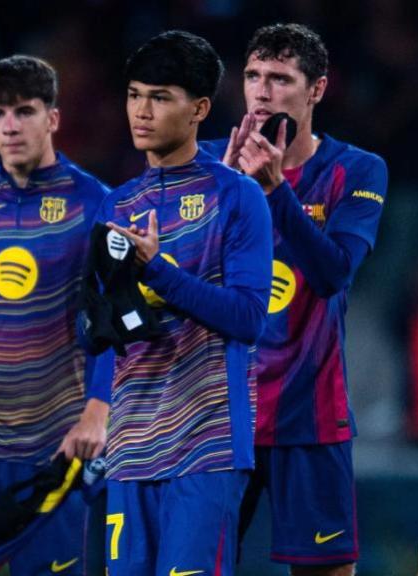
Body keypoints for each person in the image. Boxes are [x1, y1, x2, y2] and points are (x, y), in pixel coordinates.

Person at [206, 23, 388, 575]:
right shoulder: (209, 165)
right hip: (218, 418)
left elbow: (334, 273)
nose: (262, 91)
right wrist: (229, 189)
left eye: (281, 79)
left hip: (309, 414)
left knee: (325, 570)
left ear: (317, 90)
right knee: (193, 564)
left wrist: (276, 191)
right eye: (253, 76)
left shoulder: (356, 169)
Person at [98, 30, 272, 576]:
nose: (141, 111)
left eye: (159, 97)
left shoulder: (236, 194)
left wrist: (158, 272)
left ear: (199, 109)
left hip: (207, 443)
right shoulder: (116, 204)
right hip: (129, 446)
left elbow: (249, 318)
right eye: (134, 95)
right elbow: (97, 333)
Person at [0, 55, 110, 575]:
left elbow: (108, 321)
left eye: (24, 111)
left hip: (51, 441)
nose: (10, 126)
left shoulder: (94, 201)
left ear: (52, 118)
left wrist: (97, 411)